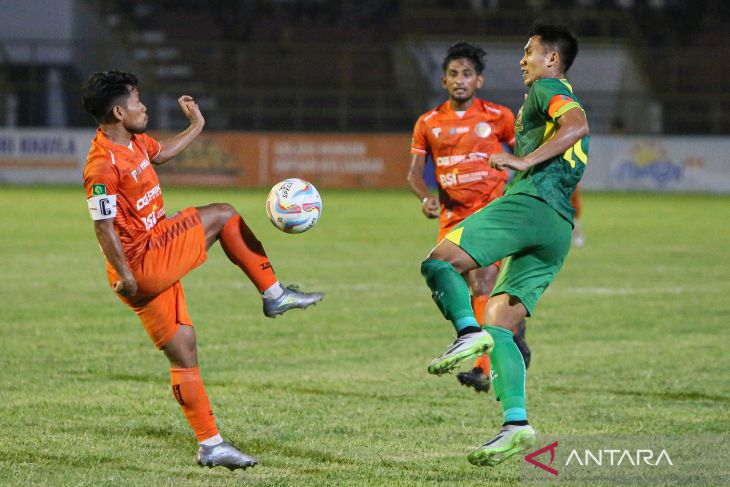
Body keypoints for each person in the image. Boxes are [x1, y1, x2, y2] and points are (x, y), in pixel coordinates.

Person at [81, 71, 323, 470]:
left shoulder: (135, 142)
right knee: (224, 215)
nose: (144, 106)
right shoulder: (102, 166)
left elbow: (162, 153)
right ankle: (274, 294)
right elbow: (102, 224)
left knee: (183, 351)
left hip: (143, 267)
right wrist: (126, 274)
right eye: (138, 101)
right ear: (119, 111)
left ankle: (211, 444)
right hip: (144, 263)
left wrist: (197, 125)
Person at [419, 24, 589, 466]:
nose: (522, 59)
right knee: (501, 324)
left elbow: (578, 124)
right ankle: (515, 424)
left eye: (529, 51)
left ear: (552, 58)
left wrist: (524, 160)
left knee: (438, 263)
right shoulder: (549, 94)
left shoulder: (547, 87)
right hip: (556, 227)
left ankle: (464, 333)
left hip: (529, 204)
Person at [407, 42, 531, 395]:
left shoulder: (498, 116)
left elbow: (522, 154)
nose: (460, 80)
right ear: (444, 81)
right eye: (453, 74)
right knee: (447, 287)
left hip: (490, 216)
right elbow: (414, 174)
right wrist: (425, 196)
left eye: (467, 74)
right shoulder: (428, 123)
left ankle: (482, 367)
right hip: (451, 218)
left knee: (482, 285)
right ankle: (511, 331)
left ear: (479, 81)